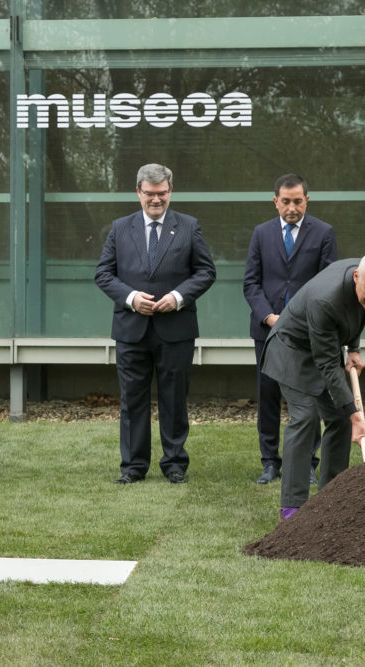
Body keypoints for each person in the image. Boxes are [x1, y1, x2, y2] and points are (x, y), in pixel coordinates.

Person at [95, 163, 217, 485]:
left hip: (175, 329)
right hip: (131, 329)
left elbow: (206, 272)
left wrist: (177, 297)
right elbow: (103, 274)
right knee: (132, 399)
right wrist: (131, 297)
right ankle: (133, 467)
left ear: (170, 191)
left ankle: (174, 463)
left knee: (174, 399)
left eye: (162, 193)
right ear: (138, 192)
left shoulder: (189, 227)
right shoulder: (120, 228)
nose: (156, 200)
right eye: (149, 194)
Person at [261, 253, 365, 519]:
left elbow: (360, 310)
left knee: (340, 420)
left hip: (323, 348)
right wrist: (356, 416)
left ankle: (332, 498)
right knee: (306, 418)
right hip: (292, 351)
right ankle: (292, 508)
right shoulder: (326, 299)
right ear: (357, 276)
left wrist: (354, 349)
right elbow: (328, 366)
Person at [243, 174, 337, 485]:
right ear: (275, 202)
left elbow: (327, 284)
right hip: (268, 332)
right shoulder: (261, 233)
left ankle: (308, 463)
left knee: (308, 399)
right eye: (286, 201)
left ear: (307, 200)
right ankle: (270, 463)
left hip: (307, 333)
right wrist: (268, 316)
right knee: (267, 396)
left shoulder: (323, 233)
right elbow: (251, 283)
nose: (292, 207)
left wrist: (303, 319)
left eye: (298, 201)